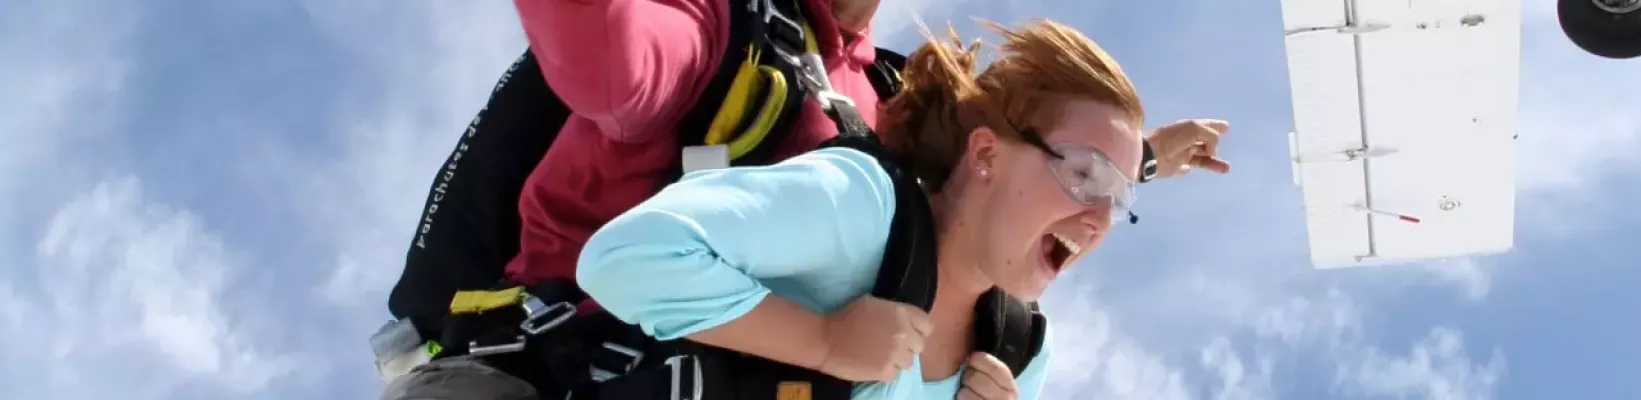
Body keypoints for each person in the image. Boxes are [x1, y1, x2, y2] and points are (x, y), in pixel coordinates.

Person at [377, 0, 1234, 398]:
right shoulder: (713, 21)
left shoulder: (887, 105)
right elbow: (616, 60)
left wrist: (1136, 164)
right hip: (545, 365)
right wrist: (825, 341)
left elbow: (1007, 177)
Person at [575, 19, 1142, 399]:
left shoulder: (1017, 356)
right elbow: (626, 256)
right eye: (1084, 174)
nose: (1100, 221)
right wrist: (824, 340)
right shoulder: (864, 208)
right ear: (987, 153)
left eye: (1119, 201)